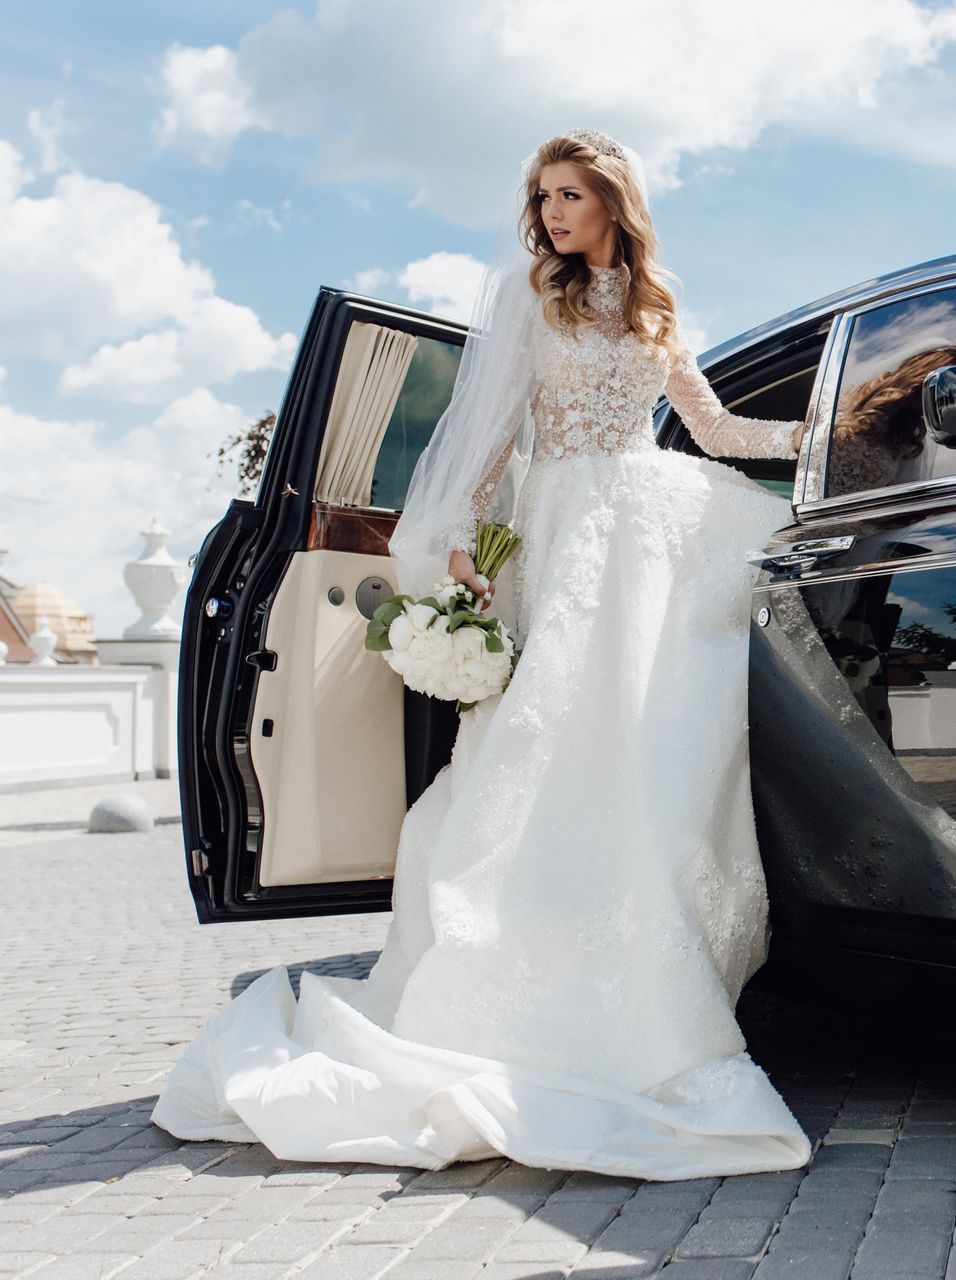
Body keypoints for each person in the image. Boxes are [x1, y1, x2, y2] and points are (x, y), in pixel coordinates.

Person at [150, 128, 816, 1178]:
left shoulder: (657, 302)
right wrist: (461, 534)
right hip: (563, 529)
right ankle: (518, 973)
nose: (553, 212)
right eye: (543, 195)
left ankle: (648, 959)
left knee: (650, 747)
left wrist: (822, 431)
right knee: (542, 740)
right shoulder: (529, 297)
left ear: (614, 201)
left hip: (649, 525)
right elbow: (495, 431)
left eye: (572, 194)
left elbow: (718, 430)